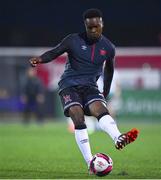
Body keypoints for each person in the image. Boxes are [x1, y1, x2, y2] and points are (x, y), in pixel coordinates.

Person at [29, 8, 139, 172]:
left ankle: (118, 138)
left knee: (100, 110)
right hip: (69, 85)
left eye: (96, 27)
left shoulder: (108, 47)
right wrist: (40, 59)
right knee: (77, 116)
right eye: (90, 28)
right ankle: (90, 162)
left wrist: (106, 91)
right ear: (85, 26)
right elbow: (55, 52)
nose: (93, 30)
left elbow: (109, 70)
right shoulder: (73, 40)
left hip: (90, 87)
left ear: (102, 24)